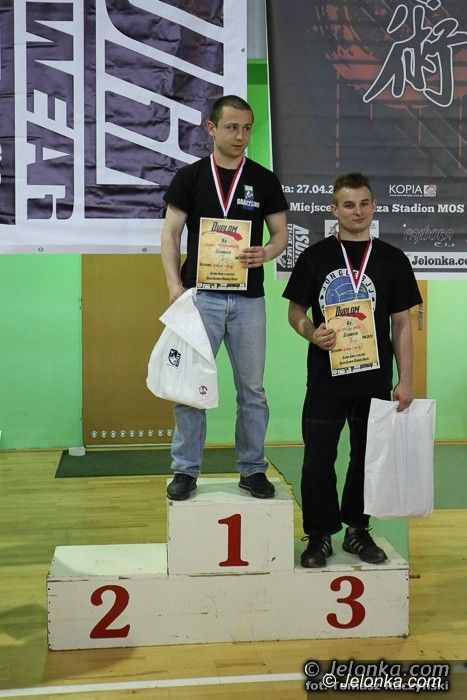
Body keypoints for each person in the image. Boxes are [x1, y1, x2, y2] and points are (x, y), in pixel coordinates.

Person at [283, 172, 422, 567]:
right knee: (317, 459)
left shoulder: (393, 259)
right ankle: (319, 535)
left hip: (373, 381)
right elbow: (295, 312)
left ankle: (358, 531)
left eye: (364, 204)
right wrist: (312, 333)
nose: (357, 211)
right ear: (334, 209)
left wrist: (406, 380)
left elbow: (401, 324)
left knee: (366, 458)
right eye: (348, 204)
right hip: (325, 379)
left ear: (374, 206)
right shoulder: (315, 257)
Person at [161, 94, 289, 501]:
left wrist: (266, 252)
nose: (240, 136)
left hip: (249, 300)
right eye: (232, 127)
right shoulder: (190, 177)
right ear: (211, 128)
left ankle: (252, 469)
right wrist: (175, 288)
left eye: (247, 128)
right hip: (201, 298)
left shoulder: (264, 180)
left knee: (252, 390)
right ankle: (185, 470)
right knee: (190, 386)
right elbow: (170, 234)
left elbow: (281, 234)